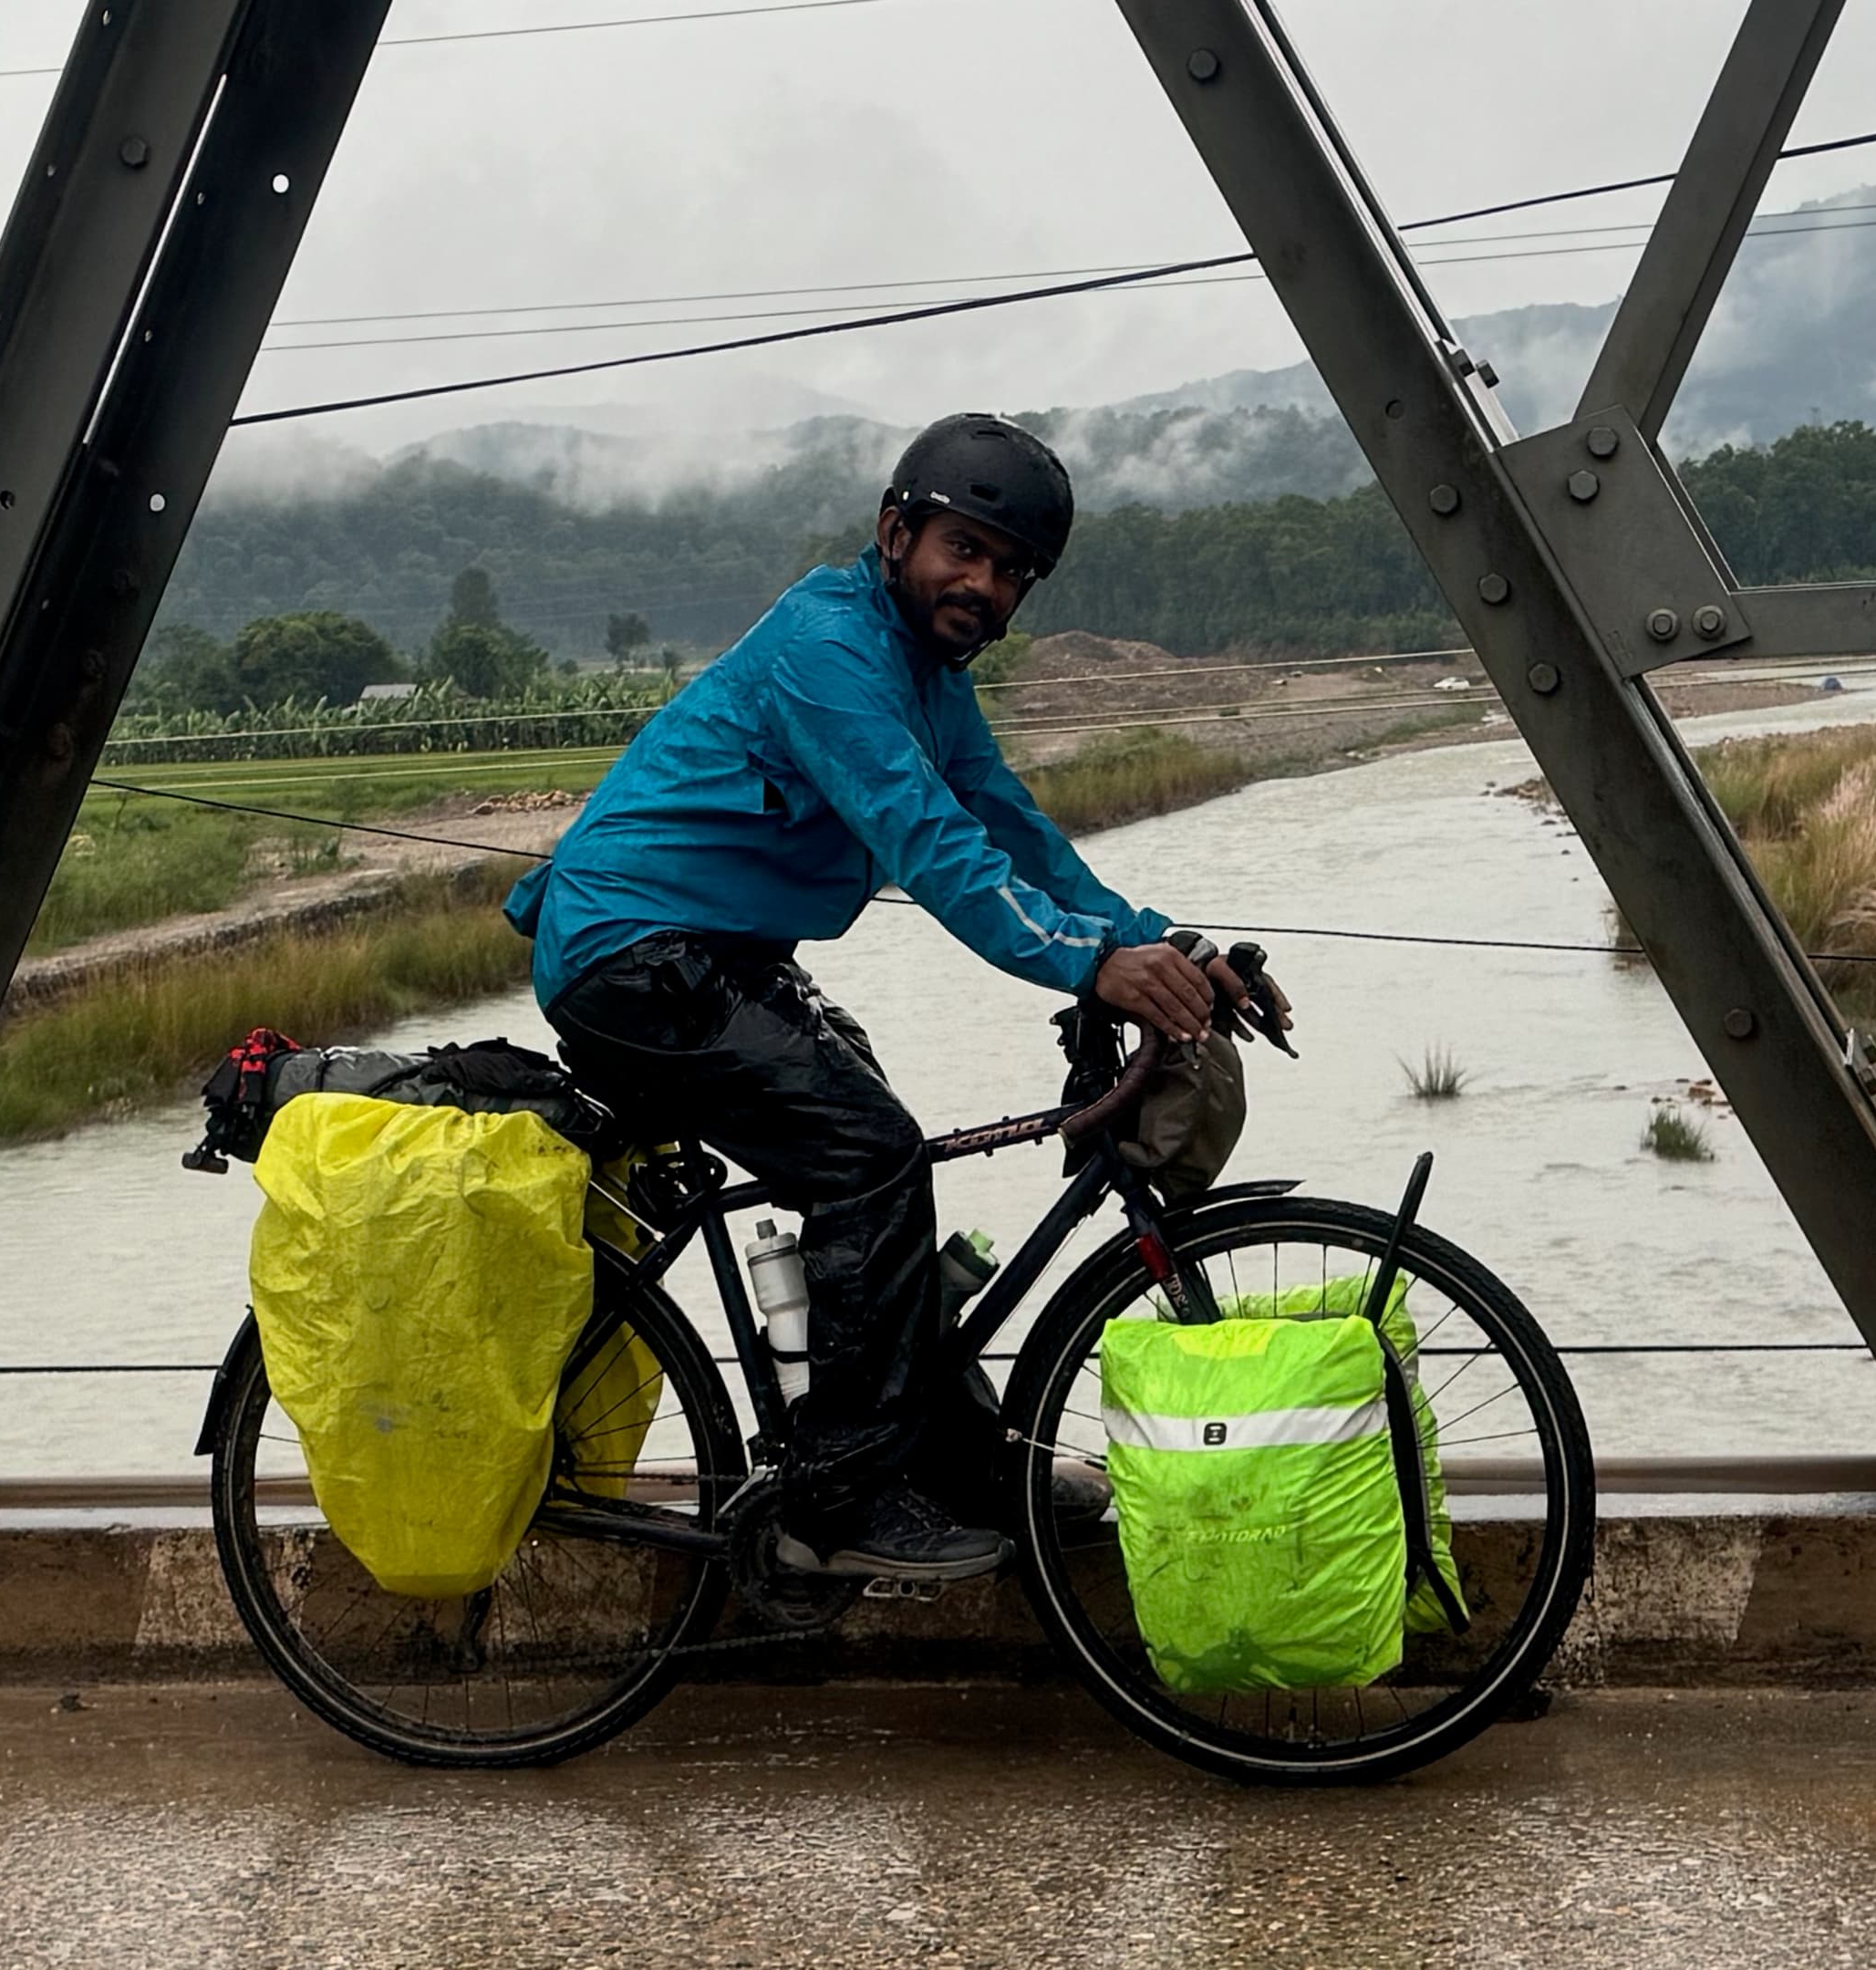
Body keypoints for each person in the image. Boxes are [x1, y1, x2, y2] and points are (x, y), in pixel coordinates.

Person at [503, 413, 1290, 1581]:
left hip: (715, 953)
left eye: (1011, 570)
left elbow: (1011, 832)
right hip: (629, 955)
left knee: (883, 1155)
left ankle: (955, 1461)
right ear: (895, 533)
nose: (984, 584)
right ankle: (839, 1501)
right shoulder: (829, 650)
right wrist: (1087, 966)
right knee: (867, 1159)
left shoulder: (927, 676)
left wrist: (1160, 942)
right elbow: (931, 844)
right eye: (964, 549)